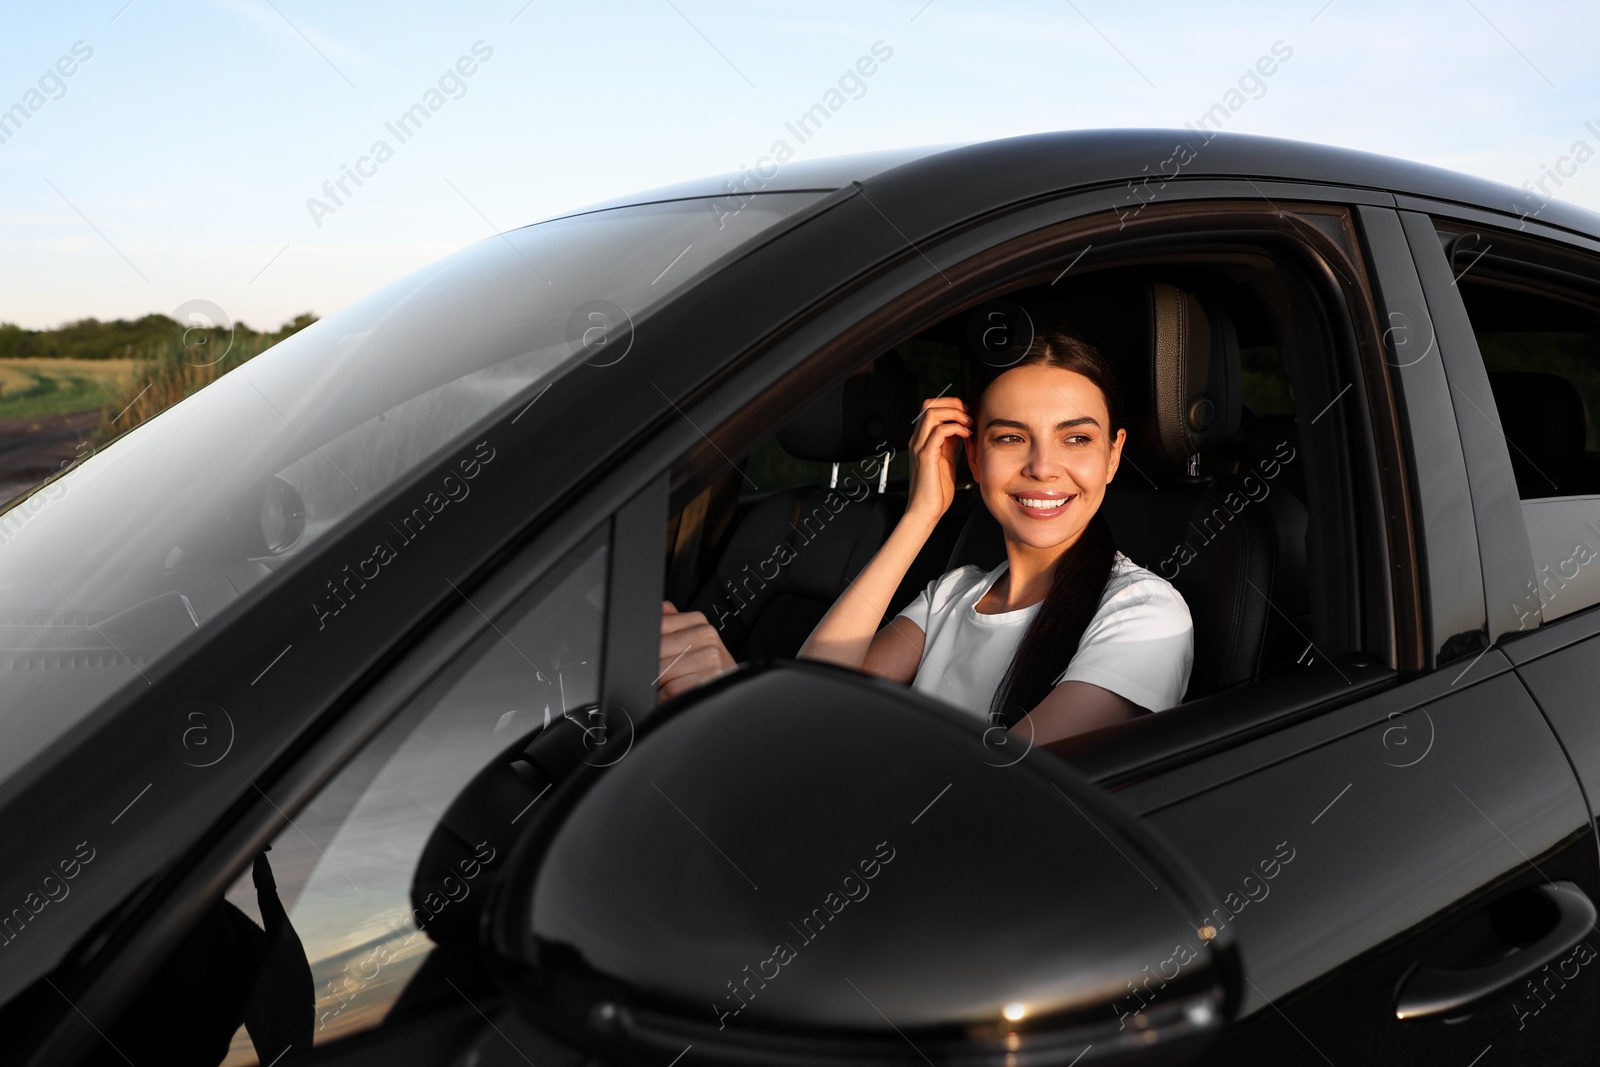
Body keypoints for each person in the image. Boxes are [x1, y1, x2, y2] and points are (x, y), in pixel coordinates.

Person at [658, 331, 1193, 746]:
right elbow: (817, 699)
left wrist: (730, 701)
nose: (1043, 468)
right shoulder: (953, 592)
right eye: (1011, 437)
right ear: (974, 458)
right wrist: (921, 513)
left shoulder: (1145, 612)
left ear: (1113, 456)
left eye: (1076, 438)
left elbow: (1001, 786)